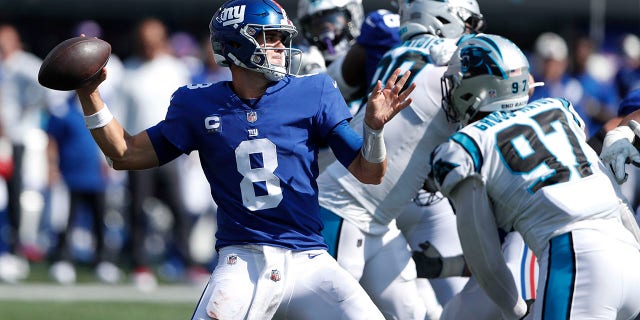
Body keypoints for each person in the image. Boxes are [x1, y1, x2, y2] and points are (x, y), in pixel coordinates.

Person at [73, 0, 415, 319]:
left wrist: (373, 130)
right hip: (242, 260)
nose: (282, 46)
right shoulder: (198, 105)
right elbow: (124, 153)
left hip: (310, 259)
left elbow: (369, 172)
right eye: (271, 37)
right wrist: (89, 94)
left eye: (283, 38)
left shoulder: (314, 91)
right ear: (238, 44)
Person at [431, 33, 640, 319]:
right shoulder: (560, 109)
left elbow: (485, 258)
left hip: (578, 262)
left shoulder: (466, 146)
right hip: (628, 255)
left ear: (478, 88)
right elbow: (615, 203)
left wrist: (516, 311)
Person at [316, 0, 486, 318]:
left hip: (379, 218)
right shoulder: (450, 62)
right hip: (342, 210)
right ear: (444, 18)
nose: (471, 34)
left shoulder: (402, 51)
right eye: (468, 24)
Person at [120, 17, 202, 289]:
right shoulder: (128, 70)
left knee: (179, 209)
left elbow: (187, 111)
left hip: (170, 150)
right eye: (144, 42)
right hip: (137, 152)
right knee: (137, 211)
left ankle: (185, 261)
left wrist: (192, 146)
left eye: (153, 41)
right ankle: (140, 264)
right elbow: (120, 115)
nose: (148, 47)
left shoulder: (175, 69)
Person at [45, 94, 122, 285]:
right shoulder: (63, 110)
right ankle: (64, 260)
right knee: (65, 222)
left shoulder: (104, 107)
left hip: (97, 177)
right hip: (70, 176)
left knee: (100, 221)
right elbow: (52, 141)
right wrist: (52, 168)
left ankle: (102, 261)